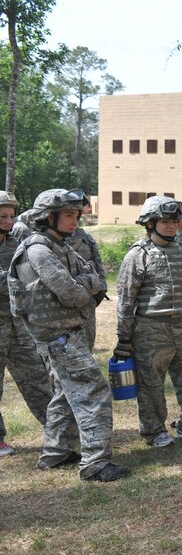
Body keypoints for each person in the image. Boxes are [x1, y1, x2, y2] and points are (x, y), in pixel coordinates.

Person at [8, 188, 129, 481]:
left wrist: (84, 284)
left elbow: (95, 279)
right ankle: (95, 464)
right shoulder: (39, 250)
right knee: (93, 391)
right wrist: (84, 286)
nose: (75, 221)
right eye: (69, 215)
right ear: (48, 217)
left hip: (65, 333)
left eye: (76, 215)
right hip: (57, 337)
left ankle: (57, 451)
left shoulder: (60, 246)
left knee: (64, 393)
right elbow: (71, 293)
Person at [115, 196, 182, 447]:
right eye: (165, 222)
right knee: (151, 385)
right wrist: (124, 338)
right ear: (150, 223)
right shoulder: (137, 255)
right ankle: (154, 431)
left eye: (175, 221)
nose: (172, 226)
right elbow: (126, 299)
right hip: (150, 329)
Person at [0, 191, 53, 457]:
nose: (9, 222)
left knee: (38, 379)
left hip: (19, 326)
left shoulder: (16, 245)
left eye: (11, 216)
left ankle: (58, 429)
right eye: (3, 216)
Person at [67, 196, 107, 350]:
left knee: (87, 343)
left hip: (87, 301)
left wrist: (101, 289)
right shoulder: (49, 241)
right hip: (62, 302)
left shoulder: (85, 237)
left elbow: (97, 263)